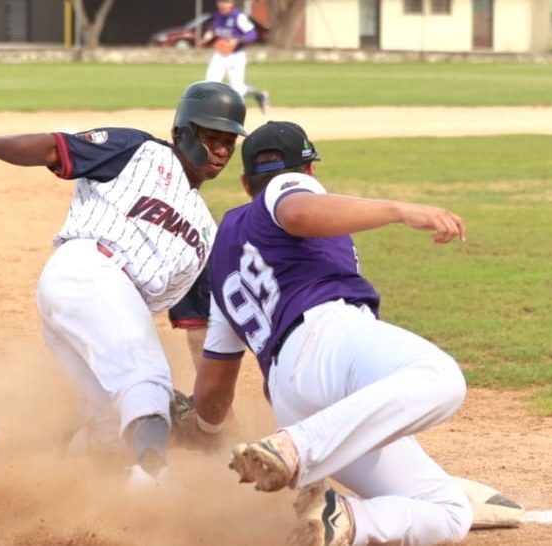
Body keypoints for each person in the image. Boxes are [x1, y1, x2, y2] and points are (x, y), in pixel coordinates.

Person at [0, 81, 247, 485]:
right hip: (88, 268)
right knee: (148, 382)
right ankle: (153, 481)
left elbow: (198, 330)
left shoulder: (207, 233)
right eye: (212, 138)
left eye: (229, 141)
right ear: (183, 133)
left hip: (105, 305)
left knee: (108, 431)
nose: (223, 150)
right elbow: (55, 148)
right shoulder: (140, 151)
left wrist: (215, 421)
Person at [187, 121, 473, 546]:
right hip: (326, 342)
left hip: (292, 399)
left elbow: (212, 390)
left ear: (245, 182)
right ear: (311, 171)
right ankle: (295, 450)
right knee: (441, 378)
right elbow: (298, 212)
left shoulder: (222, 257)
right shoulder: (289, 186)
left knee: (449, 511)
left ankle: (343, 519)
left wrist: (201, 433)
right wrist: (401, 210)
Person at [202, 0, 271, 115]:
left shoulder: (239, 17)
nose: (223, 5)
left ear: (231, 4)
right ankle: (212, 112)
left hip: (236, 56)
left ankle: (260, 96)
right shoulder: (218, 16)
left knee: (238, 88)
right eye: (221, 2)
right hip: (219, 55)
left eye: (226, 2)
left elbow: (252, 34)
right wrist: (207, 37)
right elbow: (212, 29)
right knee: (210, 84)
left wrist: (237, 40)